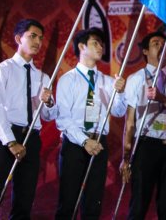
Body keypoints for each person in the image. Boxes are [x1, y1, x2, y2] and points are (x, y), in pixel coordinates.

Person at [54, 28, 126, 220]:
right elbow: (63, 119)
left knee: (93, 202)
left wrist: (120, 93)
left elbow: (118, 111)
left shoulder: (108, 81)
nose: (100, 47)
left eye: (102, 44)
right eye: (95, 43)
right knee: (68, 201)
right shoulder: (68, 79)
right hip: (74, 143)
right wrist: (84, 141)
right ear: (81, 46)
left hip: (99, 142)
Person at [120, 31, 166, 220]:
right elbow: (130, 122)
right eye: (155, 43)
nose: (161, 46)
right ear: (145, 51)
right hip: (146, 146)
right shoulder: (136, 79)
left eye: (164, 44)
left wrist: (163, 99)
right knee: (138, 205)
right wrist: (126, 157)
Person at [0, 18, 56, 219]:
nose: (38, 42)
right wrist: (10, 141)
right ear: (18, 39)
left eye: (40, 38)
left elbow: (48, 115)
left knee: (25, 197)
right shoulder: (3, 69)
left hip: (31, 137)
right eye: (32, 36)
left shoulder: (43, 77)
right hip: (7, 136)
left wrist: (48, 102)